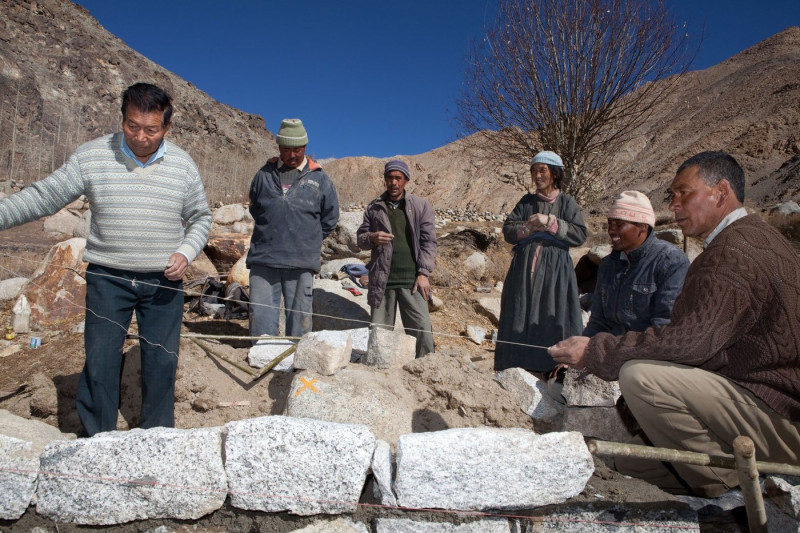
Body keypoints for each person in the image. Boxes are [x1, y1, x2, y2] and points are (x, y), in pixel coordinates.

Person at [550, 151, 800, 497]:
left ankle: (734, 493)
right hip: (747, 396)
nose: (675, 204)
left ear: (721, 191)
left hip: (779, 412)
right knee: (627, 464)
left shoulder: (730, 253)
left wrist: (596, 351)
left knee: (641, 378)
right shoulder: (750, 240)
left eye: (685, 193)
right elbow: (609, 319)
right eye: (672, 195)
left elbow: (689, 342)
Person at [0, 82, 212, 436]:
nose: (141, 137)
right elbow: (44, 197)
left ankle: (158, 438)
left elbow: (201, 217)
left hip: (163, 281)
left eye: (151, 129)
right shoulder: (92, 156)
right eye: (132, 126)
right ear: (122, 119)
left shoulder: (183, 166)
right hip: (108, 279)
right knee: (100, 361)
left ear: (167, 127)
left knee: (161, 362)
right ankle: (97, 437)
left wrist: (186, 252)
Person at [494, 151, 587, 374]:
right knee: (519, 312)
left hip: (555, 271)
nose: (537, 176)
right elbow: (508, 230)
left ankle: (554, 368)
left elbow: (580, 234)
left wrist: (551, 222)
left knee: (552, 313)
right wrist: (529, 228)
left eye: (542, 170)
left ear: (554, 174)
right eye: (534, 171)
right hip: (523, 269)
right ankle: (514, 366)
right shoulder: (526, 202)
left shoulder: (567, 203)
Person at [246, 118, 339, 338]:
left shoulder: (320, 179)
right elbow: (255, 209)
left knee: (300, 319)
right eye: (286, 149)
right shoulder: (263, 175)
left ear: (305, 148)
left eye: (297, 149)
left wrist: (308, 238)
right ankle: (261, 359)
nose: (292, 155)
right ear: (279, 147)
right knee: (260, 316)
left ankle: (295, 364)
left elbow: (330, 218)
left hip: (301, 262)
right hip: (264, 260)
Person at [357, 160, 437, 358]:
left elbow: (429, 243)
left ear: (406, 181)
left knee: (422, 330)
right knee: (380, 334)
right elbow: (361, 240)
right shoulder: (374, 208)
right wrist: (372, 237)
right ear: (384, 180)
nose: (393, 182)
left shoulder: (420, 205)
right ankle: (380, 373)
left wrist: (423, 273)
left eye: (398, 178)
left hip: (413, 280)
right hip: (383, 280)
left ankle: (426, 369)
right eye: (389, 178)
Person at [582, 190, 689, 337]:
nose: (611, 230)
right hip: (610, 349)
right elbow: (598, 321)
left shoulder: (670, 262)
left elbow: (664, 327)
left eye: (619, 224)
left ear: (643, 227)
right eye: (610, 223)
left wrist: (609, 350)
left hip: (647, 352)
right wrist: (582, 348)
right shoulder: (607, 265)